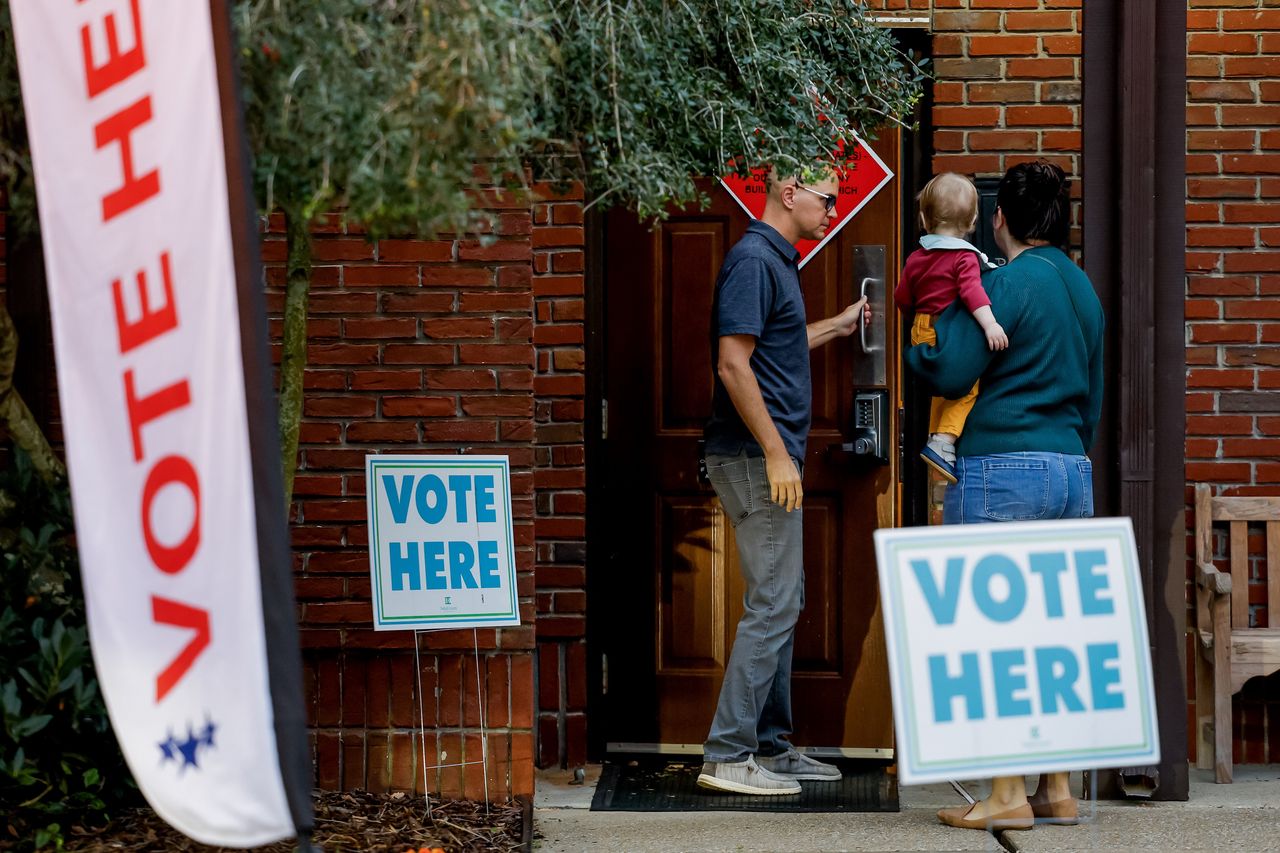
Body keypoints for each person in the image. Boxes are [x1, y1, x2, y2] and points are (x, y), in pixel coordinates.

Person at [904, 160, 1105, 831]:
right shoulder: (1083, 291)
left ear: (999, 219)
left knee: (993, 636)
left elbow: (954, 366)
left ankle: (1005, 794)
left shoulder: (1007, 282)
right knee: (1052, 634)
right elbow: (1096, 394)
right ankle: (1057, 787)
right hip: (1072, 467)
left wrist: (918, 346)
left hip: (1001, 469)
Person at [696, 168, 871, 796]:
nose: (832, 208)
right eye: (826, 197)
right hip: (753, 457)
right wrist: (775, 452)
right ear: (789, 192)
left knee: (783, 600)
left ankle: (768, 746)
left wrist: (837, 325)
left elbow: (773, 345)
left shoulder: (775, 260)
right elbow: (732, 360)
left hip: (765, 457)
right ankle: (728, 754)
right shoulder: (752, 259)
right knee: (772, 603)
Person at [895, 172, 1008, 484]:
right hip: (950, 330)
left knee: (941, 389)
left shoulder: (917, 257)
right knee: (967, 386)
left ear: (922, 217)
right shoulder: (964, 258)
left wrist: (915, 319)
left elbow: (902, 297)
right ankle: (944, 440)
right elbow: (973, 293)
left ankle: (937, 441)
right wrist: (991, 325)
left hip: (922, 328)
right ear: (973, 221)